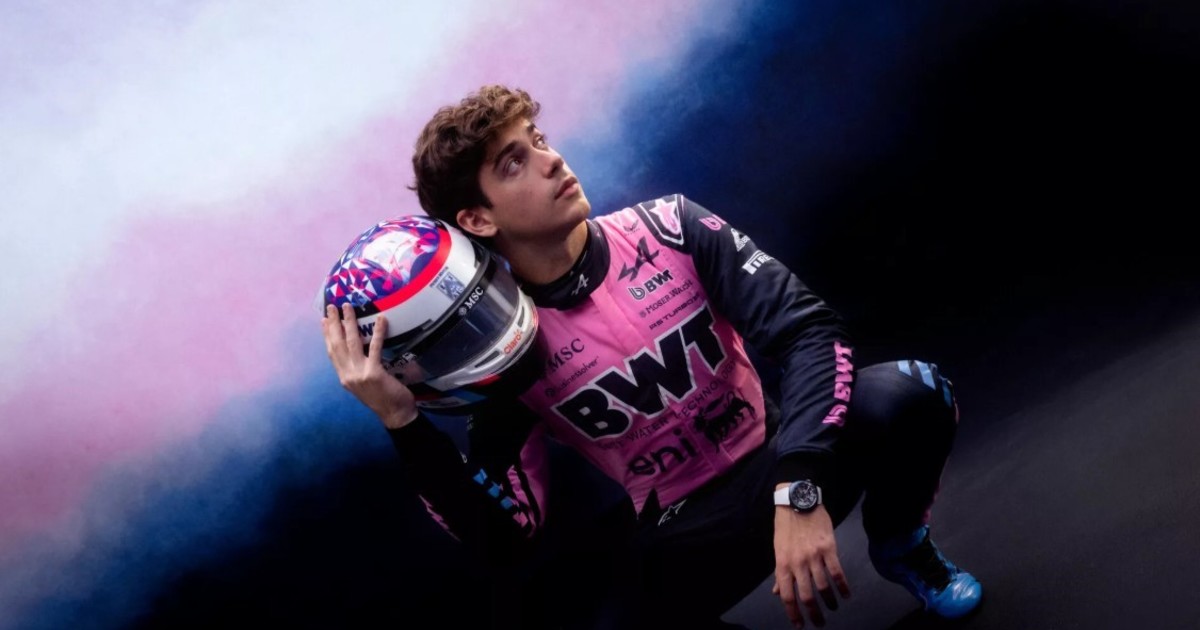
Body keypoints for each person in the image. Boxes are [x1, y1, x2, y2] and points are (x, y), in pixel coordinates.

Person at [321, 84, 983, 629]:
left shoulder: (670, 227)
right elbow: (508, 536)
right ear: (478, 219)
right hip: (687, 527)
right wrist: (404, 425)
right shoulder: (506, 348)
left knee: (912, 391)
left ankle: (903, 545)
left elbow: (809, 333)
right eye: (514, 163)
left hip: (784, 460)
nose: (552, 160)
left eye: (539, 140)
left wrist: (799, 488)